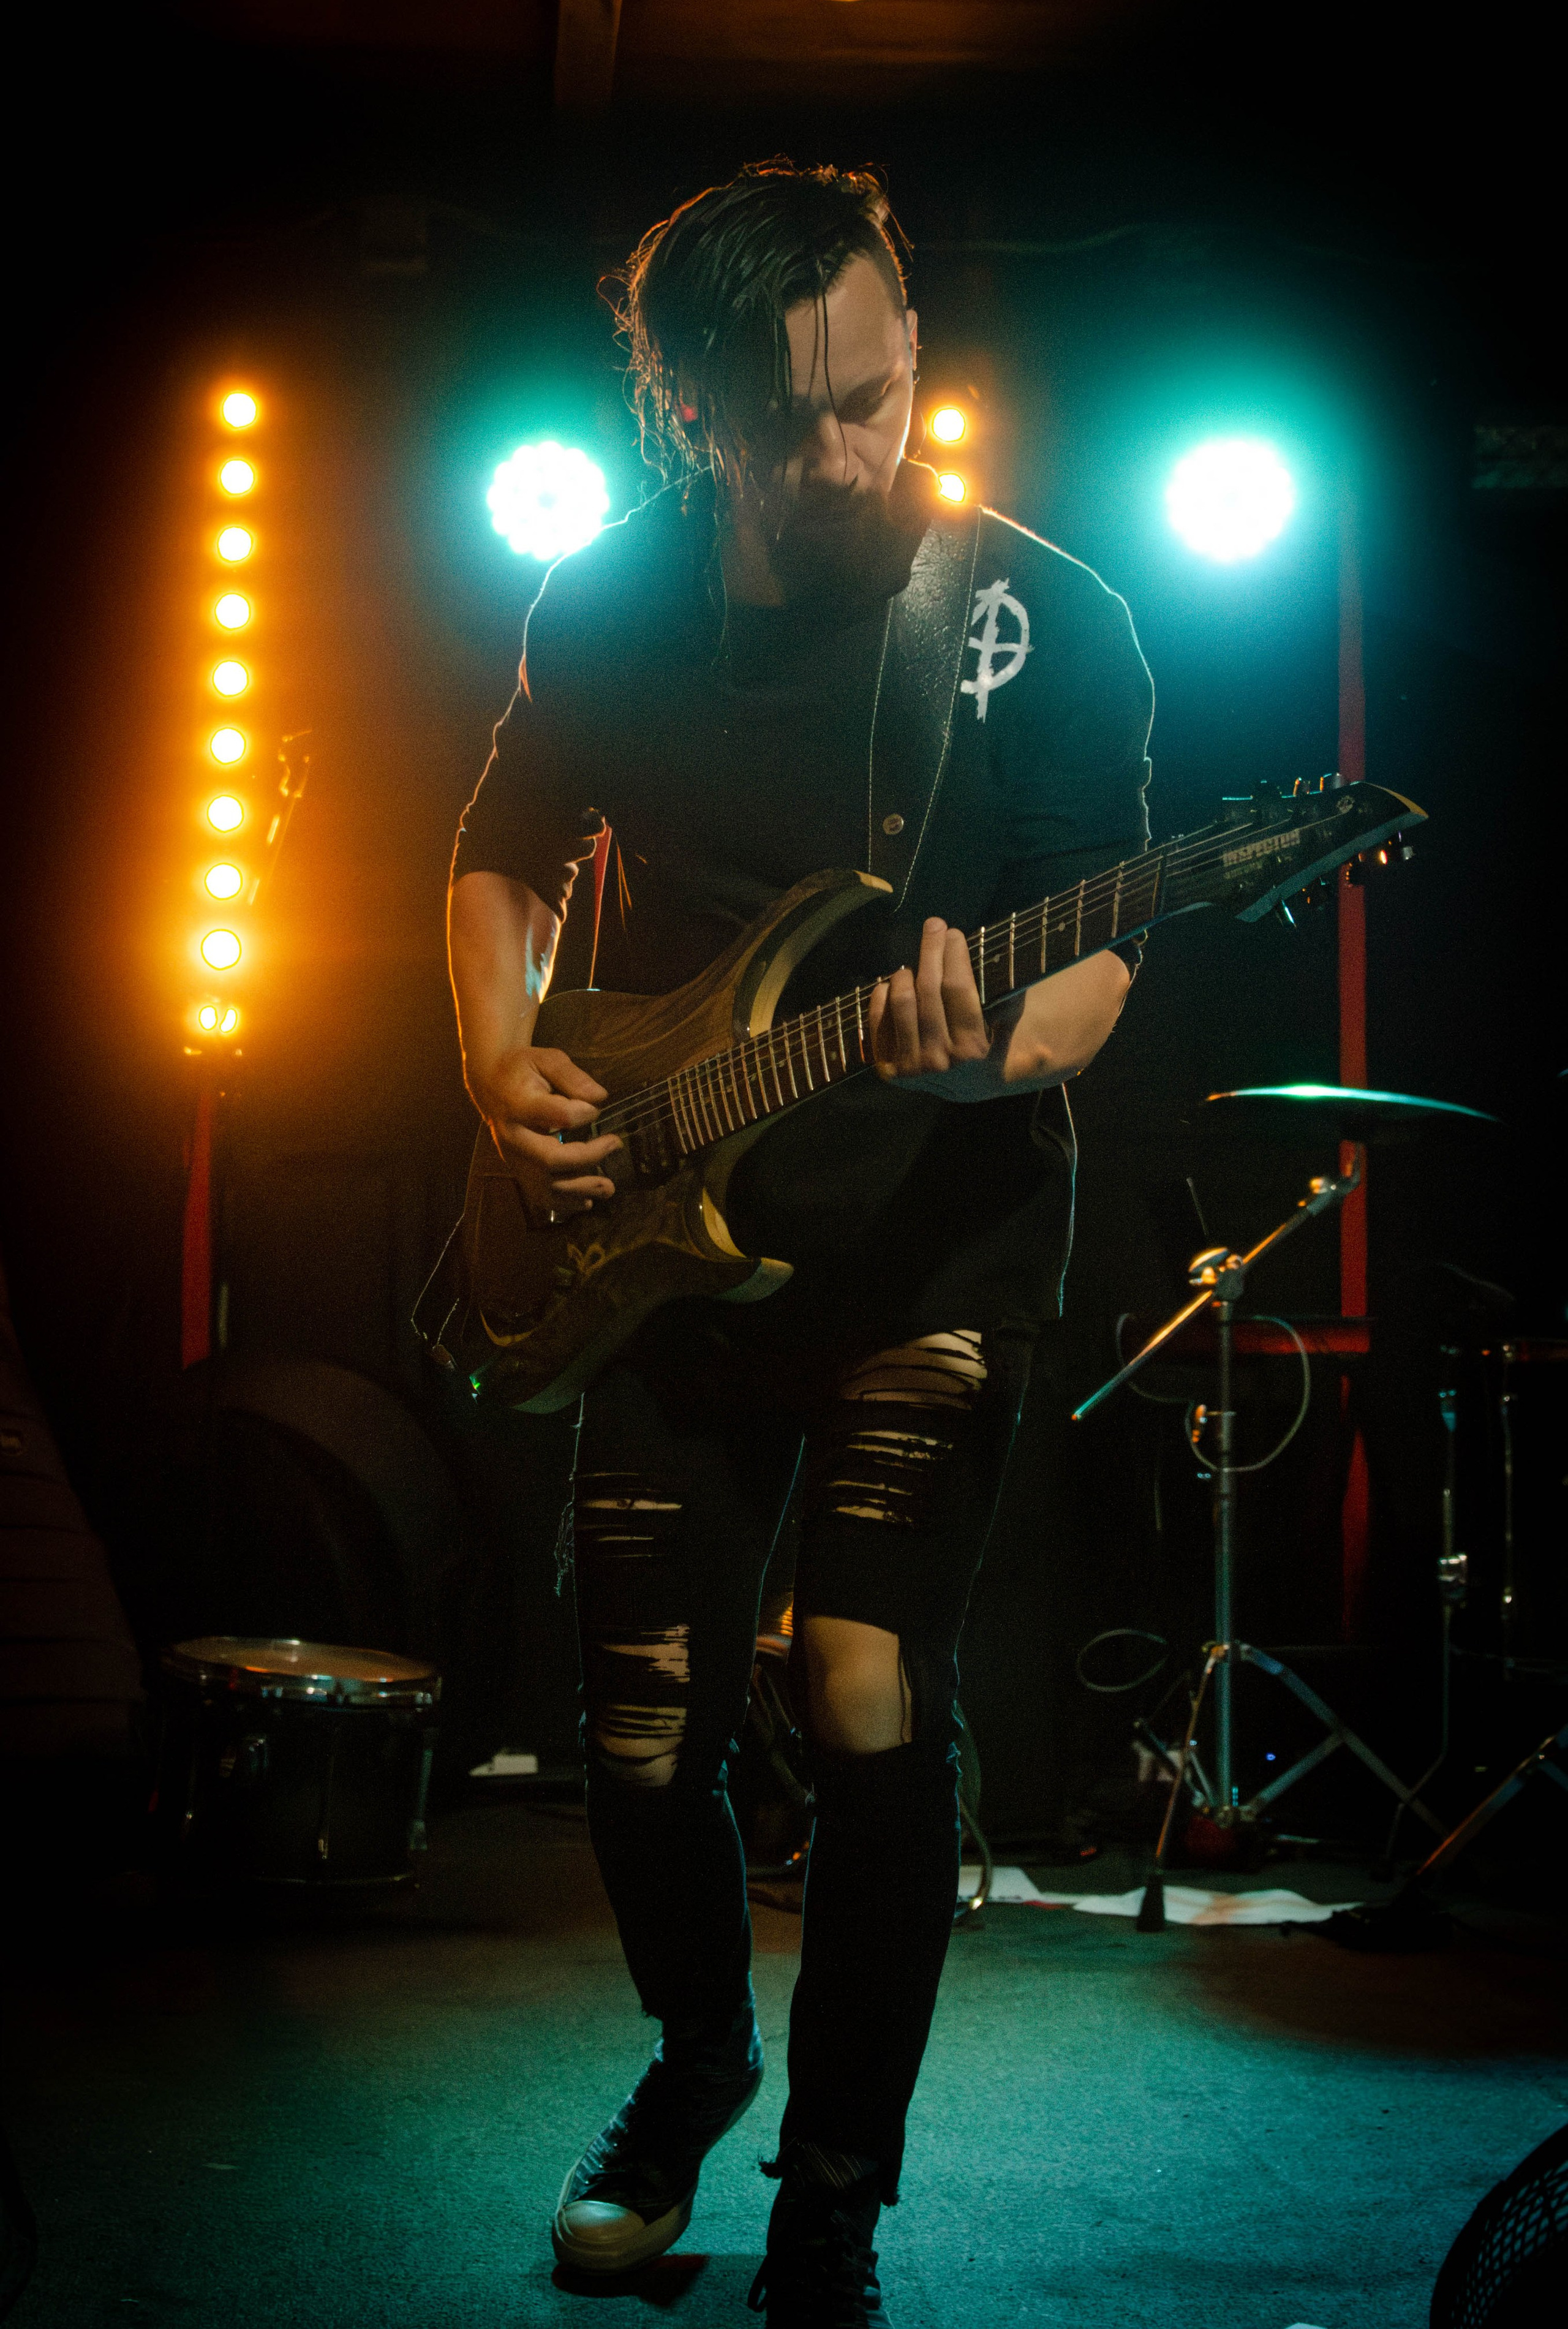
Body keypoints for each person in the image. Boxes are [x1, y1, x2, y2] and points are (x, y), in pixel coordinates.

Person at [446, 162, 1153, 2327]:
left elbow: (1102, 946)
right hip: (669, 1230)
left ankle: (834, 2181)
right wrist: (498, 1060)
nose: (847, 452)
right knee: (642, 1734)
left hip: (934, 1236)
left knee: (862, 1688)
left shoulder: (1039, 620)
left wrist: (983, 1055)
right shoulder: (613, 600)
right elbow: (495, 853)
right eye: (790, 423)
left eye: (878, 394)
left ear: (912, 340)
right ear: (692, 419)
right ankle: (693, 2062)